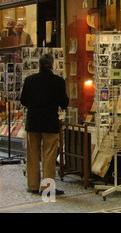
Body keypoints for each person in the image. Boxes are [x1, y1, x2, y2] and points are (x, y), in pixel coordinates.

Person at [20, 53, 69, 195]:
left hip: (33, 122)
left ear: (38, 65)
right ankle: (47, 188)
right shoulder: (58, 81)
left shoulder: (30, 80)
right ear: (52, 66)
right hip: (49, 123)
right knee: (49, 156)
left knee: (33, 154)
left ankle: (33, 185)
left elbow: (23, 100)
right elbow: (64, 103)